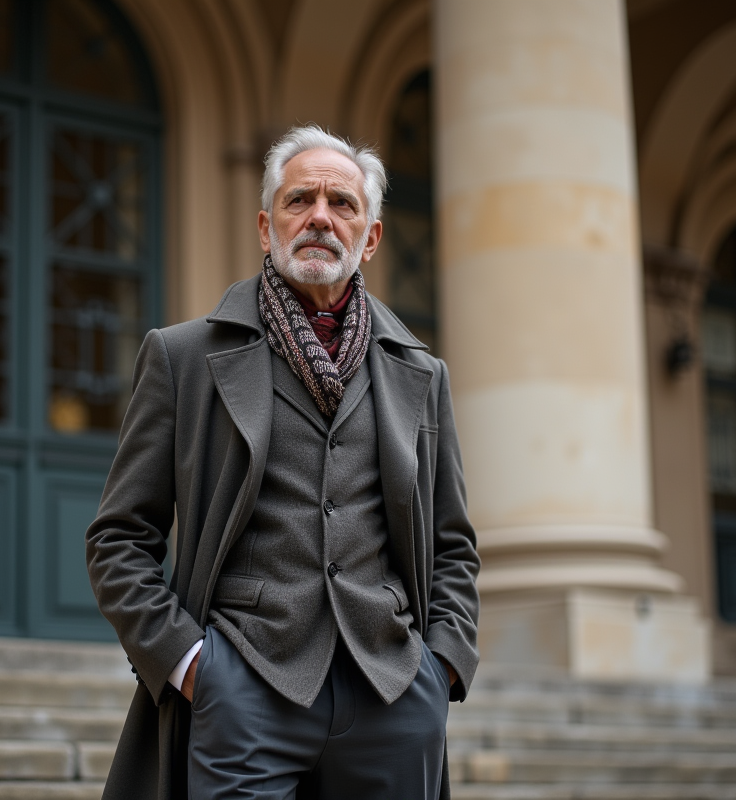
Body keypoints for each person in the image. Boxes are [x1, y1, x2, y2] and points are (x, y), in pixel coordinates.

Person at [86, 125, 479, 800]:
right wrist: (190, 666)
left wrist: (439, 667)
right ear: (267, 228)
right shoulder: (181, 358)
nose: (320, 217)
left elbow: (452, 545)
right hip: (243, 691)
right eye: (301, 200)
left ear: (372, 237)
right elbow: (118, 539)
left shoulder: (421, 373)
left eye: (342, 204)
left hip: (393, 692)